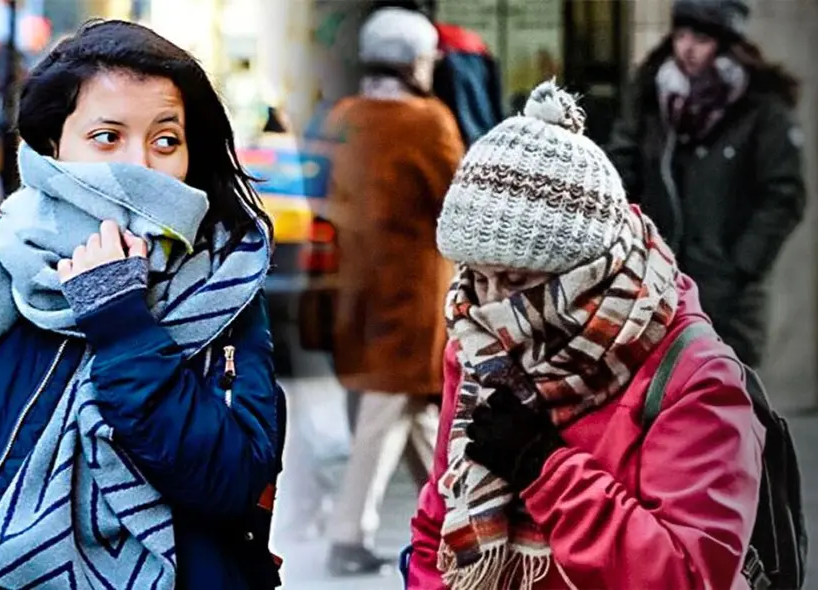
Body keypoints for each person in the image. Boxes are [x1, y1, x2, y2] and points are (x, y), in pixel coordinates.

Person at [0, 20, 283, 590]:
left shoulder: (223, 291)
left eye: (164, 141)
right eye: (107, 137)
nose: (137, 166)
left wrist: (122, 323)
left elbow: (231, 480)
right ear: (54, 146)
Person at [407, 80, 764, 589]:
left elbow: (688, 574)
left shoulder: (694, 375)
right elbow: (436, 527)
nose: (492, 305)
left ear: (587, 273)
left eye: (517, 281)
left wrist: (543, 468)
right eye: (478, 277)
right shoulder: (477, 340)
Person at [322, 6, 464, 576]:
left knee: (415, 410)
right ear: (412, 63)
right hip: (414, 288)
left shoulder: (344, 117)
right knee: (387, 408)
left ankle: (458, 520)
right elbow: (457, 204)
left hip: (355, 284)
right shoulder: (428, 122)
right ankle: (347, 535)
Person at [605, 0, 806, 369]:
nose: (688, 48)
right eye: (681, 35)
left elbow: (784, 195)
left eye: (701, 38)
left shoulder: (761, 107)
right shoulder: (651, 96)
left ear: (726, 44)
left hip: (729, 298)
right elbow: (621, 166)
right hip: (656, 285)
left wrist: (741, 265)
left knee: (726, 391)